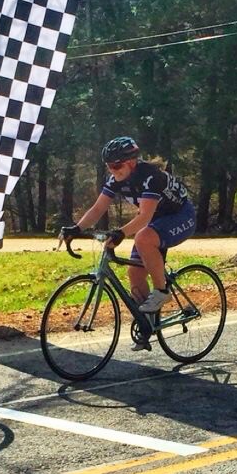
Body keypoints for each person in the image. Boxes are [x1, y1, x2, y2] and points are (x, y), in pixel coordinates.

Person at [61, 136, 196, 349]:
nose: (112, 170)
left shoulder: (151, 177)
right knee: (134, 273)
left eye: (116, 165)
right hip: (156, 220)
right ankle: (147, 325)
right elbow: (98, 208)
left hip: (180, 216)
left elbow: (144, 216)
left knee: (143, 238)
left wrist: (121, 233)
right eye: (109, 166)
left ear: (131, 162)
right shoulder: (116, 179)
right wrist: (76, 228)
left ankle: (162, 292)